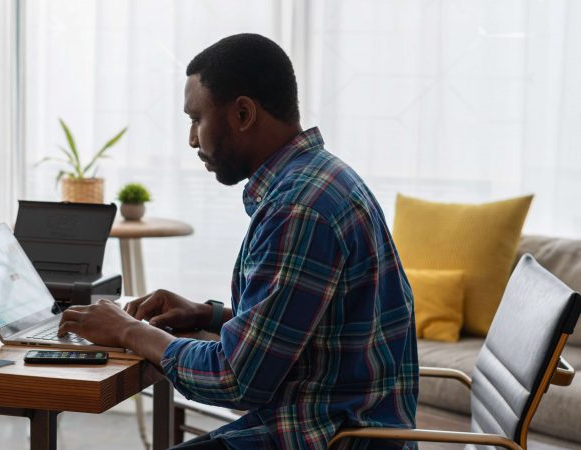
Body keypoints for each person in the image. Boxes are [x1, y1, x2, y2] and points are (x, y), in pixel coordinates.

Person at [58, 33, 418, 450]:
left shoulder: (298, 208)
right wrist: (208, 316)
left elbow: (236, 379)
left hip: (325, 438)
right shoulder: (322, 178)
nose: (193, 139)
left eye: (196, 119)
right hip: (331, 424)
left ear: (243, 113)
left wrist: (129, 331)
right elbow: (311, 328)